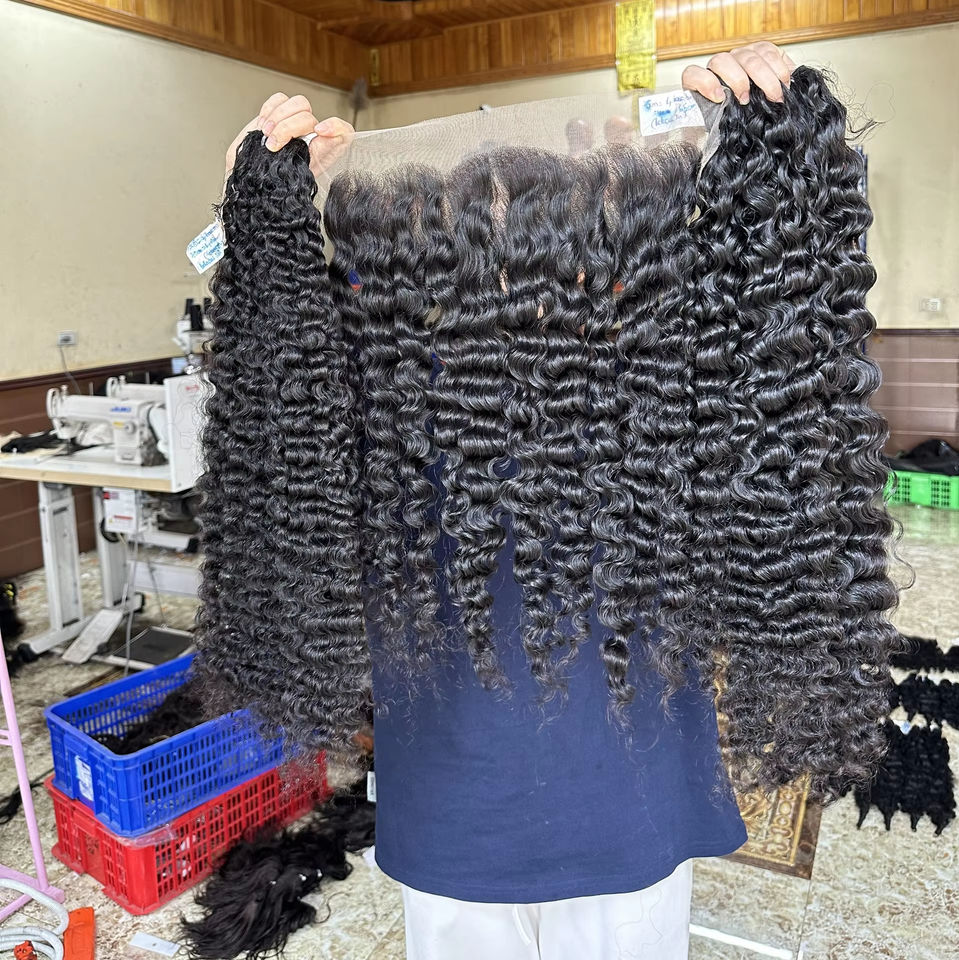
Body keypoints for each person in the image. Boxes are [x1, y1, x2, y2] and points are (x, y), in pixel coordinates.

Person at [222, 41, 796, 960]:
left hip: (625, 812)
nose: (512, 259)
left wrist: (757, 141)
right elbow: (272, 419)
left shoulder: (669, 382)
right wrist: (257, 220)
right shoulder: (380, 397)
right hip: (461, 813)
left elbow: (775, 340)